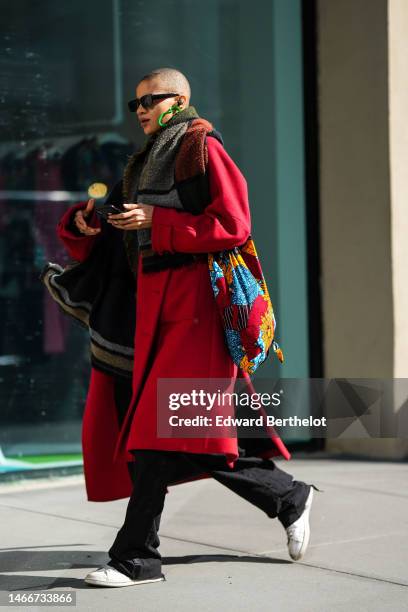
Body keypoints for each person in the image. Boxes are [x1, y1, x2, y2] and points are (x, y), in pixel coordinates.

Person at [47, 67, 319, 588]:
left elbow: (235, 224)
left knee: (159, 433)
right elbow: (127, 244)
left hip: (196, 311)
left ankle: (136, 558)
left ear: (181, 100)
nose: (142, 110)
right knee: (183, 433)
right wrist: (89, 230)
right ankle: (287, 496)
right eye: (136, 104)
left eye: (151, 100)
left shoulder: (200, 145)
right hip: (153, 312)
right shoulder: (144, 161)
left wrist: (158, 222)